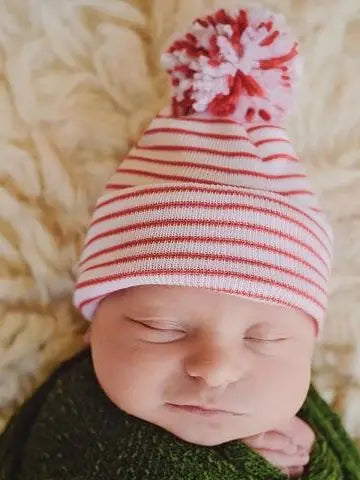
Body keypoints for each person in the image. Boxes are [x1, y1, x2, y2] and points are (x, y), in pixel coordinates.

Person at [1, 6, 360, 479]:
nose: (215, 368)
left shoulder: (302, 433)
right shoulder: (77, 423)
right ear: (92, 329)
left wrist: (310, 463)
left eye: (265, 338)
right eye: (160, 327)